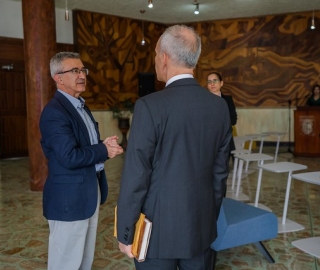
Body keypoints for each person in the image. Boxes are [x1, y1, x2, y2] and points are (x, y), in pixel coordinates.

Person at [116, 25, 232, 270]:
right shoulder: (219, 107)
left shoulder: (149, 106)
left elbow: (136, 175)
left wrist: (126, 232)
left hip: (157, 232)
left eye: (156, 53)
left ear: (165, 58)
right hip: (201, 228)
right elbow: (220, 173)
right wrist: (208, 218)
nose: (156, 59)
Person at [39, 52, 123, 270]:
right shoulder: (54, 112)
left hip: (87, 191)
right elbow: (69, 156)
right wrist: (103, 149)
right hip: (69, 200)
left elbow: (84, 145)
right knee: (66, 262)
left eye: (83, 70)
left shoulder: (81, 106)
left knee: (84, 259)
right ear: (58, 77)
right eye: (74, 71)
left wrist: (105, 144)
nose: (82, 75)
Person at [207, 72, 237, 154]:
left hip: (225, 140)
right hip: (208, 140)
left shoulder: (228, 100)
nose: (212, 84)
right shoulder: (203, 100)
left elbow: (233, 120)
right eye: (209, 81)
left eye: (215, 81)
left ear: (221, 83)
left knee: (223, 165)